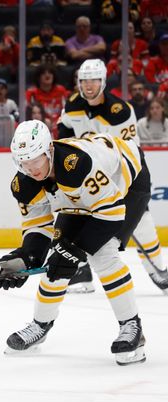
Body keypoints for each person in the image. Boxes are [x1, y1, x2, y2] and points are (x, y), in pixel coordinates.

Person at [0, 121, 147, 365]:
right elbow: (37, 227)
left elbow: (111, 213)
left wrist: (74, 251)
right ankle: (40, 325)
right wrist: (25, 259)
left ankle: (132, 327)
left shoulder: (76, 165)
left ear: (49, 151)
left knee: (103, 256)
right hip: (83, 197)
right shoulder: (23, 183)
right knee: (60, 257)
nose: (31, 169)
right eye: (24, 162)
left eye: (36, 160)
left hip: (126, 183)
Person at [58, 59, 168, 293]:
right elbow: (64, 126)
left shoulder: (120, 112)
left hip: (124, 174)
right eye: (84, 81)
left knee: (142, 224)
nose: (89, 86)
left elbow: (131, 153)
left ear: (104, 81)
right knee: (79, 220)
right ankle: (83, 273)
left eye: (94, 80)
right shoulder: (72, 105)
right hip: (90, 177)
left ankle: (159, 270)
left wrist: (121, 189)